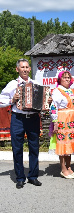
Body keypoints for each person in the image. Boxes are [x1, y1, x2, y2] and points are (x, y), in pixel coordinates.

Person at [0, 59, 43, 188]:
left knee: (34, 148)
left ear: (30, 69)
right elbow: (1, 100)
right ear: (17, 69)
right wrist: (12, 99)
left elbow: (42, 101)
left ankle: (33, 176)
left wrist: (47, 100)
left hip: (33, 118)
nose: (25, 69)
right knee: (17, 148)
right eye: (22, 67)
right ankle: (20, 178)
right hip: (18, 119)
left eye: (27, 67)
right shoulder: (13, 84)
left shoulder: (36, 84)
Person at [50, 70, 74, 179]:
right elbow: (53, 107)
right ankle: (63, 168)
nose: (67, 79)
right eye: (64, 78)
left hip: (71, 119)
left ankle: (69, 166)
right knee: (62, 143)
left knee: (70, 142)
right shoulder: (57, 91)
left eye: (68, 78)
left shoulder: (71, 90)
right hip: (62, 119)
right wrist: (55, 122)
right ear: (60, 79)